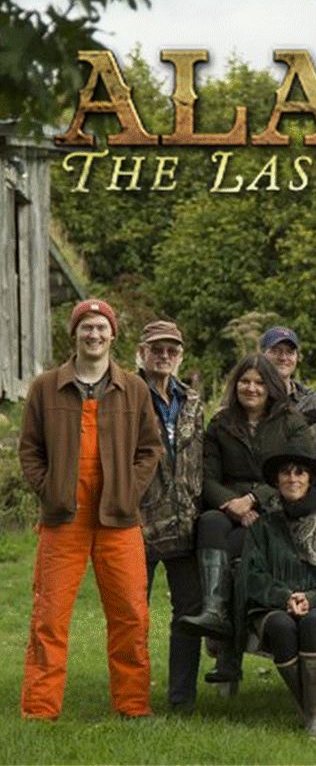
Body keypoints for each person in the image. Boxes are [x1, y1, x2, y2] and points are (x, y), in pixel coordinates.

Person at [19, 299, 162, 720]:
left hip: (119, 518)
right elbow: (30, 449)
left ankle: (134, 705)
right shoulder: (46, 386)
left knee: (131, 615)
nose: (94, 334)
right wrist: (48, 490)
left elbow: (149, 449)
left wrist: (129, 491)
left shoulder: (133, 388)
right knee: (50, 615)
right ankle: (40, 709)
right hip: (63, 517)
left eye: (101, 327)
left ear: (113, 335)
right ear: (75, 334)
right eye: (87, 327)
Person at [180, 354, 312, 644]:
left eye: (259, 383)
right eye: (245, 381)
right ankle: (214, 611)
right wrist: (232, 505)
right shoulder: (221, 424)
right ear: (235, 385)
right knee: (210, 523)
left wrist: (254, 499)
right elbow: (207, 476)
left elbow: (299, 470)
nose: (251, 388)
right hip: (230, 509)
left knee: (232, 549)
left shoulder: (291, 421)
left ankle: (225, 640)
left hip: (278, 508)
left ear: (271, 387)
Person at [234, 446, 316, 738]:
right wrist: (285, 597)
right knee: (281, 625)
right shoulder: (263, 525)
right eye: (285, 472)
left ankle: (314, 718)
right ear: (277, 480)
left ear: (310, 479)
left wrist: (311, 598)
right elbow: (253, 577)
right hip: (273, 607)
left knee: (312, 622)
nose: (293, 478)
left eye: (300, 472)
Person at [137, 319, 204, 714]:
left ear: (180, 357)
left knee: (189, 614)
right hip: (138, 523)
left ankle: (182, 698)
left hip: (185, 524)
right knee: (133, 615)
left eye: (172, 350)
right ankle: (132, 695)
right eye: (157, 349)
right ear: (142, 352)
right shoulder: (126, 394)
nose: (164, 356)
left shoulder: (193, 400)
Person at [260, 325, 316, 500]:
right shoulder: (254, 399)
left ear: (297, 357)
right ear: (262, 355)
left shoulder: (313, 400)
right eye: (276, 351)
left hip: (305, 494)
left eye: (290, 352)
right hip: (264, 495)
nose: (283, 357)